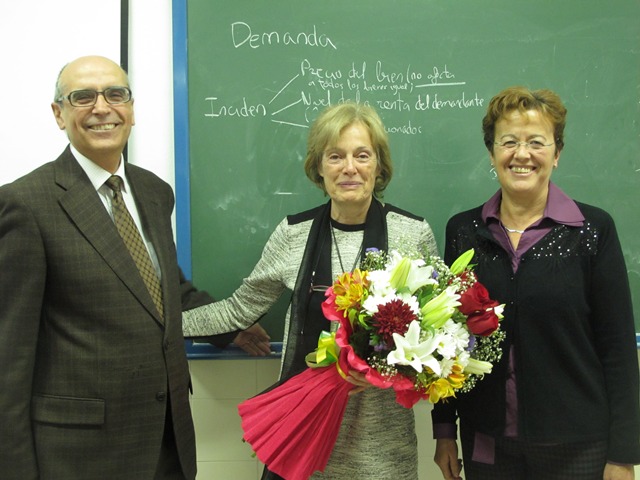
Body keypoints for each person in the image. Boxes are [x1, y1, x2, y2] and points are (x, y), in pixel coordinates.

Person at [0, 55, 269, 480]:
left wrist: (230, 327)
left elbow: (163, 291)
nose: (102, 108)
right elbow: (9, 355)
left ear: (131, 108)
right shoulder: (25, 204)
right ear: (59, 114)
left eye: (115, 94)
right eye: (83, 97)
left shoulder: (153, 191)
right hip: (79, 455)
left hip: (168, 440)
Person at [182, 101, 438, 479]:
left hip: (383, 448)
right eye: (335, 156)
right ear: (319, 167)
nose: (349, 167)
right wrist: (163, 323)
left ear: (379, 165)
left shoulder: (412, 234)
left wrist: (388, 369)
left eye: (362, 155)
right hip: (302, 434)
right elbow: (238, 310)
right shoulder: (293, 234)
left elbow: (437, 340)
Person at [431, 86, 640, 480]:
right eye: (509, 141)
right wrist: (444, 431)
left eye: (536, 142)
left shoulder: (593, 231)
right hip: (486, 439)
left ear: (556, 153)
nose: (521, 154)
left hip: (577, 446)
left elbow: (618, 348)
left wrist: (624, 454)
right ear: (492, 152)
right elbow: (445, 340)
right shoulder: (464, 231)